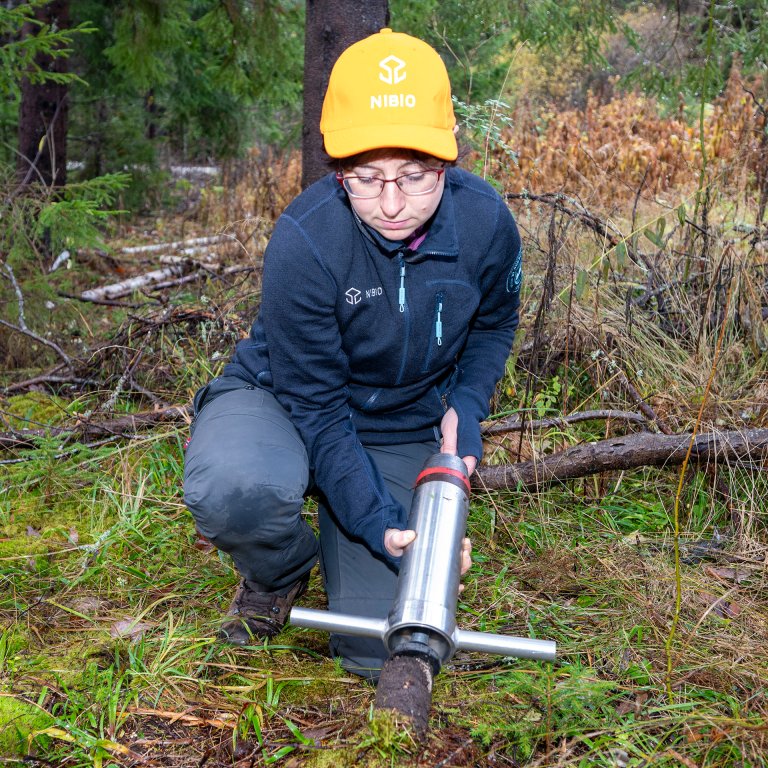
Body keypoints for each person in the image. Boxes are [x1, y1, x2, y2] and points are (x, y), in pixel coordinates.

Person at [183, 28, 522, 681]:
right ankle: (278, 571)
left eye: (414, 176)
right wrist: (381, 521)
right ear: (338, 169)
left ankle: (356, 550)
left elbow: (495, 324)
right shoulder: (305, 241)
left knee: (381, 644)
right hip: (283, 401)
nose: (391, 204)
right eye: (366, 179)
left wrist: (467, 406)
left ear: (448, 162)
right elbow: (318, 408)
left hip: (397, 427)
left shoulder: (486, 225)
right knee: (233, 489)